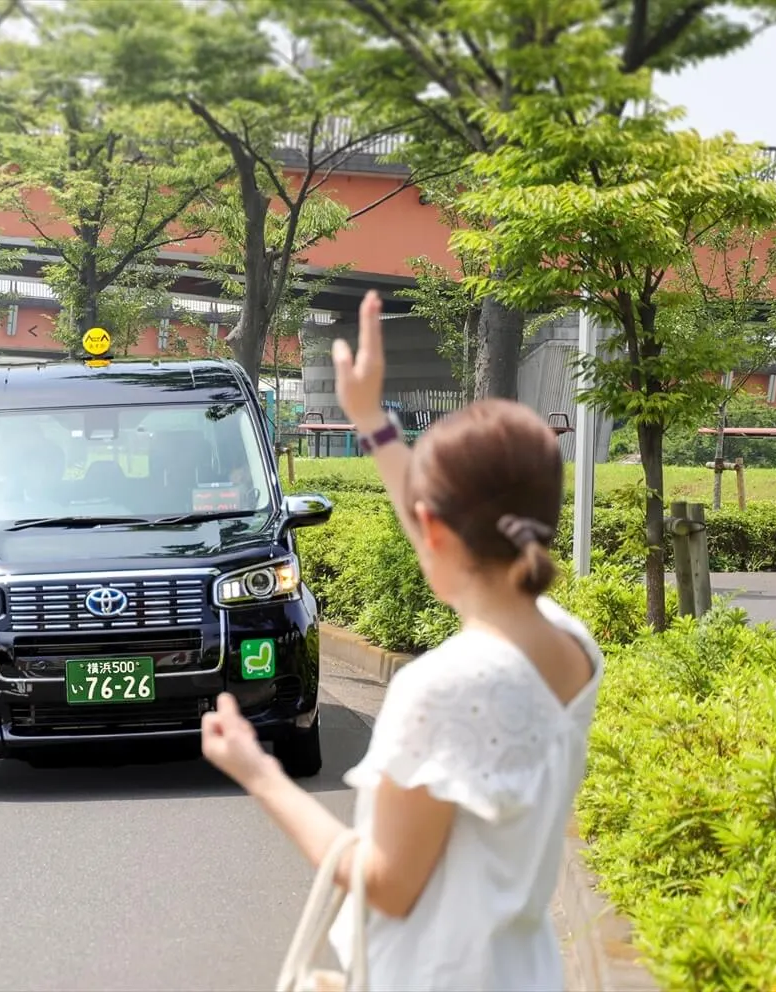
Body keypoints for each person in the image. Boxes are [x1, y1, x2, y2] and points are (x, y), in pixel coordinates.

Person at [200, 289, 605, 990]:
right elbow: (445, 534)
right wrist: (374, 427)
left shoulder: (442, 686)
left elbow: (386, 886)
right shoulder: (569, 648)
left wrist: (258, 774)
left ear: (438, 530)